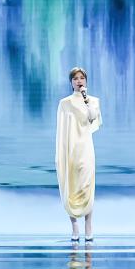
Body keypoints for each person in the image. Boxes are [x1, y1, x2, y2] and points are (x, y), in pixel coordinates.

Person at [56, 67, 102, 242]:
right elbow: (61, 131)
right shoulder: (65, 103)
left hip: (86, 149)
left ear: (86, 81)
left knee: (87, 186)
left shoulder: (93, 101)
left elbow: (92, 117)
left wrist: (86, 99)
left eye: (81, 78)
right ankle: (74, 226)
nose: (79, 81)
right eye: (75, 78)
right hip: (70, 149)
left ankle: (89, 225)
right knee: (71, 187)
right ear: (71, 82)